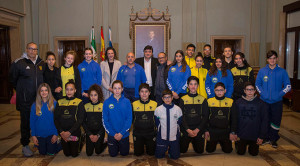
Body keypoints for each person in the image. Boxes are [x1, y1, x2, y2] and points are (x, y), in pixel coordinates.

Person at [9, 42, 45, 157]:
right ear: (26, 49)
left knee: (38, 120)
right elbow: (12, 80)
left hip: (38, 100)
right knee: (26, 123)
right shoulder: (18, 63)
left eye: (35, 49)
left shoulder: (41, 63)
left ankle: (39, 142)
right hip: (25, 100)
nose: (33, 51)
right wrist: (22, 91)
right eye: (30, 49)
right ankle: (25, 145)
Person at [255, 50, 291, 148]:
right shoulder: (262, 71)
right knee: (265, 120)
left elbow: (288, 86)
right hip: (264, 101)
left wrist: (279, 94)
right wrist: (263, 93)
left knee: (275, 120)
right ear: (267, 60)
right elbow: (257, 84)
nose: (272, 60)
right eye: (270, 58)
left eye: (274, 58)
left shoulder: (282, 71)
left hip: (277, 101)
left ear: (277, 59)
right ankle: (265, 137)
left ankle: (273, 139)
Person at [235, 82, 268, 156]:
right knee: (240, 152)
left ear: (255, 91)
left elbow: (265, 121)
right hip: (242, 134)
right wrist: (234, 132)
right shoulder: (238, 103)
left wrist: (261, 136)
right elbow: (234, 119)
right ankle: (238, 144)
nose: (250, 91)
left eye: (252, 89)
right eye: (248, 89)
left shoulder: (261, 104)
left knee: (253, 153)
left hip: (254, 135)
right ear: (244, 91)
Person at [54, 80, 85, 157]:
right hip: (63, 132)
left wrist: (70, 132)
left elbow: (80, 119)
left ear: (75, 90)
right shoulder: (60, 102)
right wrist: (61, 132)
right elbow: (56, 119)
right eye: (67, 89)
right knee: (67, 154)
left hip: (74, 132)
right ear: (65, 90)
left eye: (71, 89)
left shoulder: (79, 102)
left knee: (74, 154)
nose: (69, 91)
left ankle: (82, 139)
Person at [205, 82, 238, 153]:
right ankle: (213, 142)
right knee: (209, 150)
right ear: (214, 91)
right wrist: (206, 130)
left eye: (221, 90)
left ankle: (222, 142)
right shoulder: (209, 101)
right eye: (217, 90)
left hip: (225, 131)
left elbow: (234, 119)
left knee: (228, 151)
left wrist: (232, 132)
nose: (219, 92)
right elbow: (205, 118)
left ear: (225, 91)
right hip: (213, 131)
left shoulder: (231, 101)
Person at [102, 80, 132, 157]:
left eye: (119, 88)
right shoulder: (107, 102)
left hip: (124, 134)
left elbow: (129, 119)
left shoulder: (127, 102)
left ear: (122, 89)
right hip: (112, 134)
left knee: (124, 154)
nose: (117, 90)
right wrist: (112, 133)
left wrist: (121, 133)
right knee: (113, 154)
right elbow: (105, 120)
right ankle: (110, 143)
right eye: (115, 88)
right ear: (112, 89)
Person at [179, 76, 208, 154]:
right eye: (191, 84)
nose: (193, 86)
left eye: (195, 84)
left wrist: (197, 129)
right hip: (186, 129)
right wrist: (188, 129)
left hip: (197, 130)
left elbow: (205, 117)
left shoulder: (203, 99)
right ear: (188, 86)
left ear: (198, 86)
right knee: (182, 150)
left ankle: (195, 140)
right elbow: (181, 117)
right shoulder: (183, 99)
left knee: (199, 151)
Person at [30, 83, 60, 155]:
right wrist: (33, 136)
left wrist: (56, 134)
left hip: (51, 134)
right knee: (42, 153)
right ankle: (41, 145)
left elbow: (58, 120)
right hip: (40, 134)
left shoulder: (55, 104)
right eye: (42, 91)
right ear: (39, 93)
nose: (44, 92)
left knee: (51, 153)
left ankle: (61, 142)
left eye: (46, 90)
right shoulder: (35, 105)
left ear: (49, 92)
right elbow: (32, 121)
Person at [155, 89, 182, 160]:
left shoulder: (178, 109)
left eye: (169, 97)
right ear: (162, 99)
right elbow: (157, 123)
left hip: (173, 137)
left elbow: (179, 123)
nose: (167, 99)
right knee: (159, 156)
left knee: (175, 157)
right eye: (165, 97)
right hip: (162, 137)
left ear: (172, 98)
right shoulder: (158, 110)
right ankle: (163, 148)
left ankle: (171, 150)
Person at [132, 83, 157, 156]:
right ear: (139, 93)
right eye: (142, 91)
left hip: (151, 133)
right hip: (138, 133)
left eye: (146, 91)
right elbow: (131, 119)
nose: (144, 94)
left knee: (151, 153)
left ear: (149, 93)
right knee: (138, 154)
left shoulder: (155, 104)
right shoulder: (134, 104)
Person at [82, 84, 106, 156]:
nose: (93, 97)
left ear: (99, 95)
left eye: (95, 95)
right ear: (89, 95)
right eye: (91, 95)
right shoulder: (86, 106)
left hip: (100, 132)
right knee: (89, 153)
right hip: (90, 133)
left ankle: (105, 142)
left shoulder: (103, 106)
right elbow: (83, 122)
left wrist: (98, 135)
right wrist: (89, 134)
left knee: (98, 151)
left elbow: (105, 123)